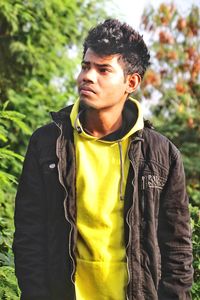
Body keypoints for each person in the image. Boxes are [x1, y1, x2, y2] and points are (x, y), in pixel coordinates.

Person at [13, 19, 193, 300]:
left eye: (103, 69)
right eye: (86, 66)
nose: (88, 76)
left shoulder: (162, 155)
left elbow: (177, 249)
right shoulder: (47, 144)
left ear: (130, 82)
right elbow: (29, 236)